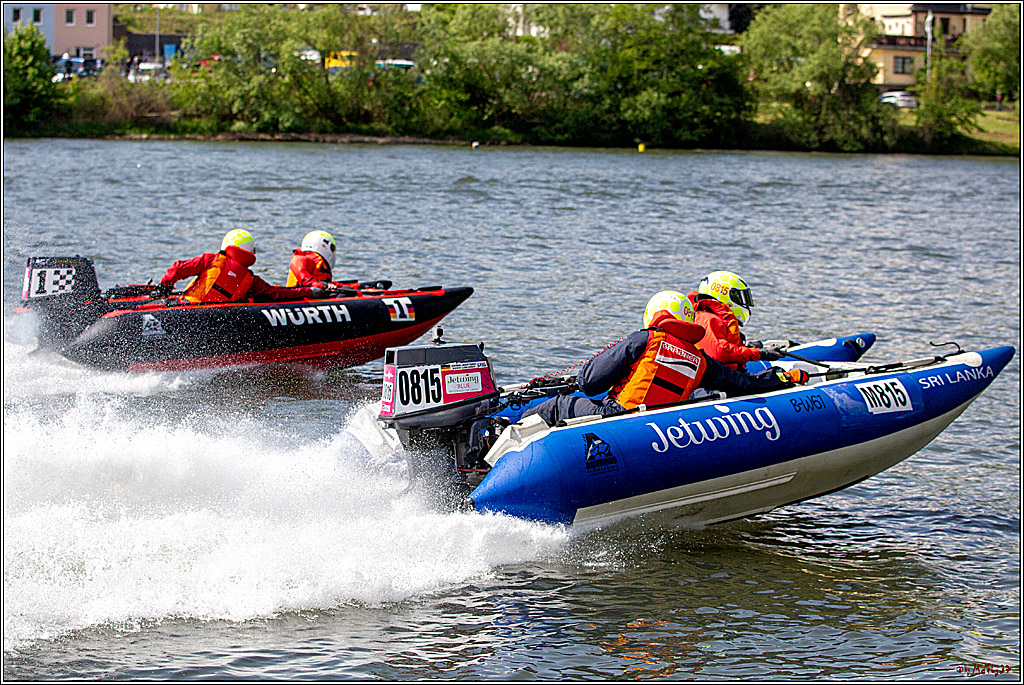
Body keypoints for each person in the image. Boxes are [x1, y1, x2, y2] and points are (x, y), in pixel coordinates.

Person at [522, 291, 809, 426]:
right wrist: (781, 377)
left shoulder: (645, 339)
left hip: (616, 418)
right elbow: (742, 383)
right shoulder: (700, 359)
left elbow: (589, 383)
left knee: (557, 406)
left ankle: (493, 447)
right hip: (660, 426)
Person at [156, 229, 323, 303]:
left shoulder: (212, 260)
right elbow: (276, 293)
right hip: (219, 319)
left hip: (189, 309)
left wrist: (165, 286)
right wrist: (309, 292)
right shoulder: (250, 279)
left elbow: (177, 268)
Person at [688, 270, 785, 371]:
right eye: (739, 296)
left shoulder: (710, 317)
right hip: (717, 379)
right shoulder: (707, 319)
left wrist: (748, 348)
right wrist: (761, 353)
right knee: (775, 376)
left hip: (723, 374)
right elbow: (720, 352)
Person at [286, 230, 391, 292]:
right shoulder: (300, 259)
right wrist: (324, 286)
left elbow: (328, 285)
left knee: (347, 290)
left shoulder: (318, 264)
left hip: (316, 296)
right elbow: (306, 280)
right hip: (300, 298)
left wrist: (362, 286)